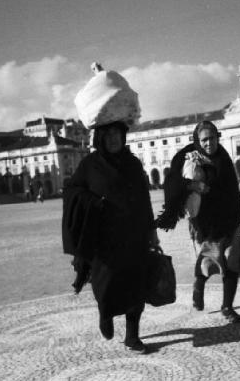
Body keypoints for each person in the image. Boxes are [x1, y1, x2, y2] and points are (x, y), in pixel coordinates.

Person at [62, 120, 158, 354]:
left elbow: (144, 199)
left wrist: (151, 231)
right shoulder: (89, 165)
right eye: (109, 134)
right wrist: (94, 203)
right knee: (105, 285)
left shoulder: (133, 164)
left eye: (117, 133)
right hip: (103, 238)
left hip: (134, 234)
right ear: (101, 138)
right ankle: (105, 313)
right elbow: (72, 191)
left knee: (136, 286)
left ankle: (132, 337)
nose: (114, 138)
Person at [157, 120, 240, 324]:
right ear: (197, 140)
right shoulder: (189, 157)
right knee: (208, 263)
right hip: (205, 223)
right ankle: (199, 284)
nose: (209, 143)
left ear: (217, 137)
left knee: (232, 261)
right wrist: (194, 184)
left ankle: (227, 307)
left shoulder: (224, 157)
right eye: (204, 140)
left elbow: (234, 193)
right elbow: (171, 183)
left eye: (212, 138)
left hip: (230, 217)